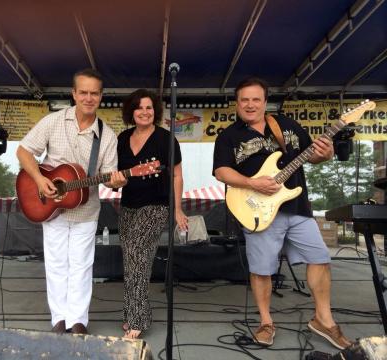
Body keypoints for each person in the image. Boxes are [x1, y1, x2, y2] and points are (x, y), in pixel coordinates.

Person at [213, 77, 352, 349]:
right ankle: (266, 322)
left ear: (265, 102)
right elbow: (221, 172)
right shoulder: (229, 135)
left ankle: (323, 319)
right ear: (237, 103)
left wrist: (325, 154)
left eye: (256, 99)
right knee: (263, 270)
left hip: (297, 206)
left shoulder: (286, 125)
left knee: (320, 258)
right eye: (244, 100)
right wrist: (253, 183)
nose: (250, 105)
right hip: (257, 210)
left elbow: (310, 154)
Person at [16, 68, 126, 335]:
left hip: (86, 211)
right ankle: (59, 320)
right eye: (83, 92)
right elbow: (24, 150)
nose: (89, 98)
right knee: (56, 264)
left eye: (94, 93)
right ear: (74, 93)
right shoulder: (53, 122)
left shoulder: (107, 135)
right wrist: (41, 181)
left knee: (81, 265)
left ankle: (78, 321)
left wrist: (116, 181)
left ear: (101, 96)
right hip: (50, 207)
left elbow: (109, 175)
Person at [117, 89, 188, 339]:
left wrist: (178, 209)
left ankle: (138, 318)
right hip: (128, 206)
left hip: (157, 206)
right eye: (139, 108)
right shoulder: (122, 138)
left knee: (136, 251)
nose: (144, 112)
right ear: (131, 112)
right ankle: (132, 312)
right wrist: (115, 182)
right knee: (133, 260)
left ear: (155, 111)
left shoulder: (166, 139)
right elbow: (116, 176)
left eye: (149, 107)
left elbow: (177, 175)